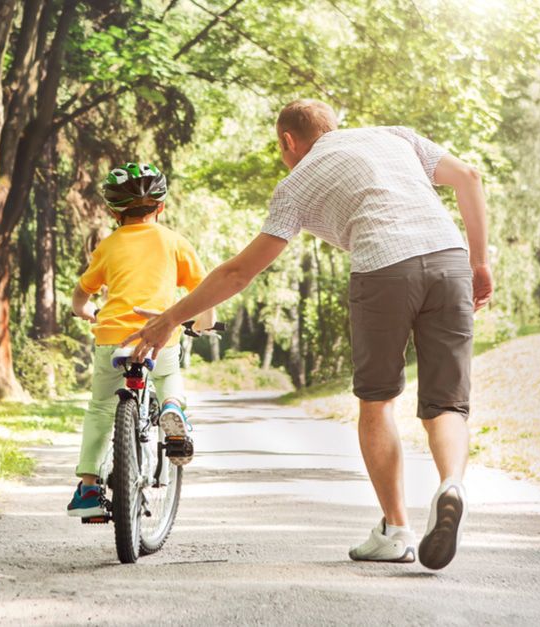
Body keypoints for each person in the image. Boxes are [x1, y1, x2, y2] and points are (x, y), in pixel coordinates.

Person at [122, 100, 493, 569]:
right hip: (448, 258)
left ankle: (396, 529)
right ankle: (451, 484)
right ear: (333, 127)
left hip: (383, 268)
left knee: (377, 402)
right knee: (447, 404)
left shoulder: (296, 183)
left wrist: (170, 317)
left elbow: (238, 273)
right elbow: (469, 178)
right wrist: (480, 263)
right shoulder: (394, 135)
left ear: (287, 142)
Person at [65, 162, 215, 518]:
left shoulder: (108, 246)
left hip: (113, 340)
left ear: (113, 211)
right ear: (161, 206)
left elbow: (81, 295)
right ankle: (172, 408)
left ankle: (88, 489)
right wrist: (204, 324)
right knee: (166, 376)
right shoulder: (175, 242)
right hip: (160, 336)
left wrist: (86, 312)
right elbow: (204, 292)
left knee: (102, 407)